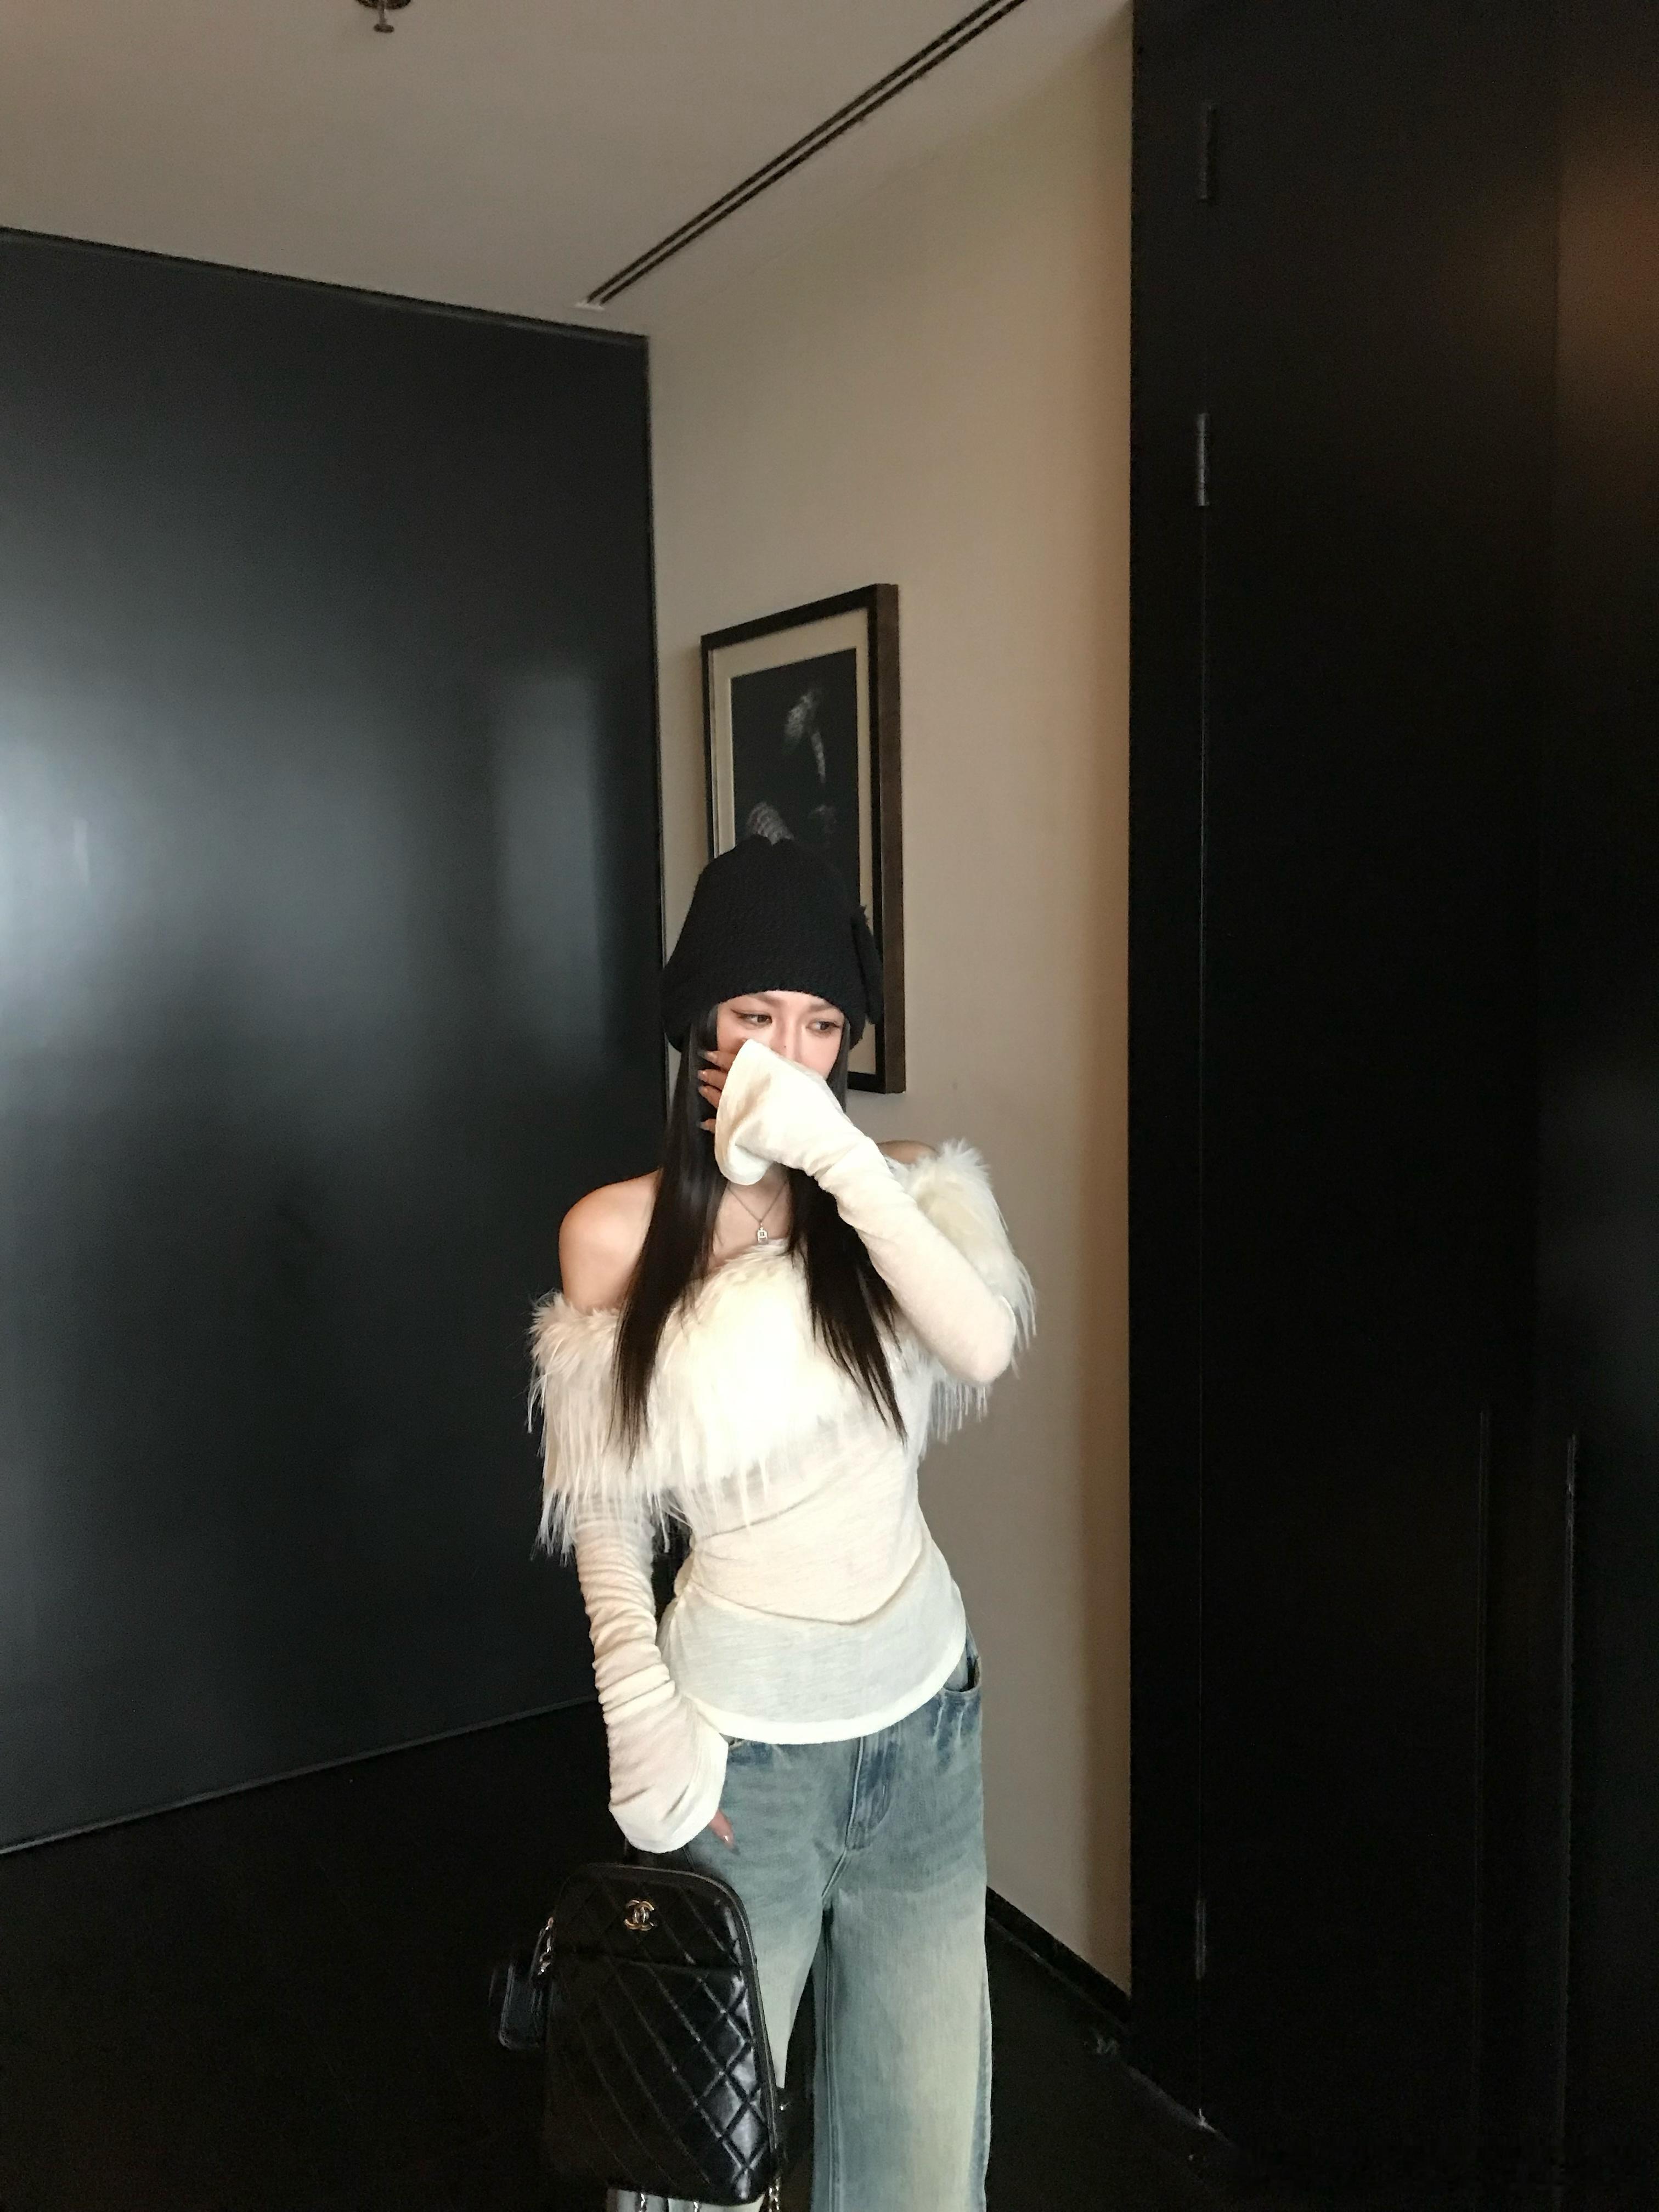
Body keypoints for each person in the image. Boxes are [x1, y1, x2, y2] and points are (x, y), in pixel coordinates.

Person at [532, 833, 1033, 2212]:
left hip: (927, 1733)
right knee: (693, 2165)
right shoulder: (617, 1236)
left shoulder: (895, 1190)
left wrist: (835, 1158)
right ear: (698, 1032)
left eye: (821, 1024)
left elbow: (985, 1346)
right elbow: (604, 1508)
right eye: (754, 1016)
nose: (787, 1053)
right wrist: (639, 1708)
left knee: (922, 2158)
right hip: (746, 1763)